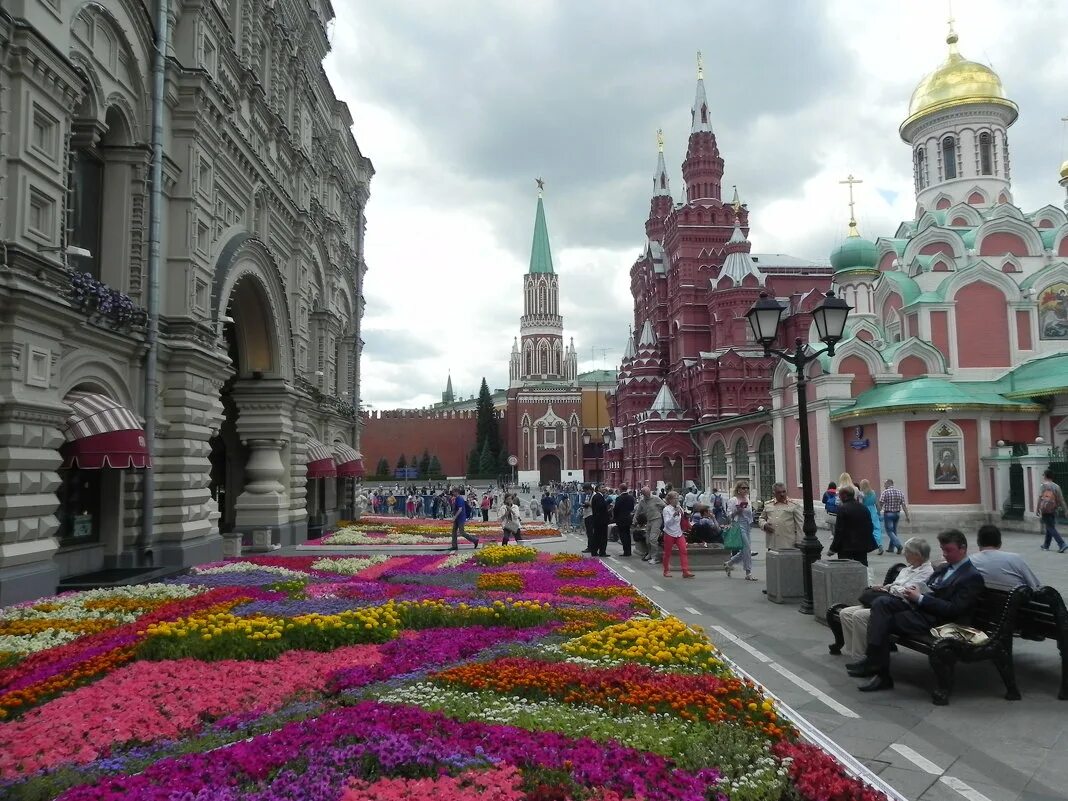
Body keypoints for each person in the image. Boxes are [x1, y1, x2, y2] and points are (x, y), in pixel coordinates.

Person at [848, 529, 984, 692]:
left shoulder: (971, 576)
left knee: (882, 620)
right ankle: (875, 664)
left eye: (948, 550)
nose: (944, 554)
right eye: (942, 549)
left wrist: (920, 598)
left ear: (963, 548)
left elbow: (954, 609)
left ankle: (877, 666)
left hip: (940, 622)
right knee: (881, 604)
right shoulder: (944, 568)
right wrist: (916, 590)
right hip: (922, 610)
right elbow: (932, 587)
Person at [835, 538, 934, 657]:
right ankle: (854, 652)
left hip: (901, 606)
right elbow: (897, 587)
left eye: (907, 552)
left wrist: (890, 588)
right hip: (887, 601)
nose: (904, 554)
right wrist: (885, 587)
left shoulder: (926, 572)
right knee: (845, 613)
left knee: (859, 616)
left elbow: (906, 592)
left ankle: (863, 656)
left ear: (917, 555)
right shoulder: (907, 569)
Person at [970, 524, 1041, 590]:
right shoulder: (1015, 559)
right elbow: (1035, 586)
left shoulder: (969, 561)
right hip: (1012, 602)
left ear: (978, 542)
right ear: (1000, 544)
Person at [828, 486, 875, 566]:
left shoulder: (842, 509)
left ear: (844, 495)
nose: (839, 497)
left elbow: (839, 530)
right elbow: (870, 526)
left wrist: (833, 548)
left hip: (846, 547)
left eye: (840, 495)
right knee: (861, 568)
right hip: (861, 546)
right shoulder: (863, 508)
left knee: (846, 569)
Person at [723, 481, 757, 581]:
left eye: (747, 488)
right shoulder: (733, 500)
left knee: (745, 550)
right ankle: (748, 572)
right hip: (738, 525)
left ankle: (729, 563)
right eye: (743, 488)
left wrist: (753, 513)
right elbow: (729, 516)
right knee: (747, 548)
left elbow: (749, 514)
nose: (745, 490)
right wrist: (738, 511)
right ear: (738, 489)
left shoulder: (748, 499)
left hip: (747, 525)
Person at [758, 482, 803, 551]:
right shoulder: (768, 504)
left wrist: (799, 541)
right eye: (779, 492)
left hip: (788, 543)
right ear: (774, 493)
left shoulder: (794, 505)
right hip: (773, 543)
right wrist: (764, 525)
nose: (782, 494)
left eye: (784, 492)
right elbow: (761, 518)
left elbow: (800, 524)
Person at [660, 492, 695, 578]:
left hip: (679, 533)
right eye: (675, 498)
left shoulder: (680, 508)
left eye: (677, 498)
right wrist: (674, 515)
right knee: (667, 553)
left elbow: (683, 520)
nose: (677, 500)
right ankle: (666, 570)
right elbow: (667, 523)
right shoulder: (666, 509)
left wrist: (687, 516)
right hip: (669, 533)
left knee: (683, 551)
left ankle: (685, 571)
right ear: (670, 500)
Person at [1037, 469, 1068, 552]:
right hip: (1053, 509)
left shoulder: (1043, 486)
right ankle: (1046, 545)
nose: (1043, 476)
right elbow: (1061, 500)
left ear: (1046, 476)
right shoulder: (1056, 486)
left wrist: (1037, 509)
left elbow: (1040, 498)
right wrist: (1066, 510)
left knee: (1050, 527)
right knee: (1050, 526)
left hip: (1045, 509)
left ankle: (1062, 544)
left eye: (1043, 475)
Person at [877, 479, 908, 555]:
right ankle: (891, 548)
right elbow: (903, 505)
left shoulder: (885, 492)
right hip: (897, 514)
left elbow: (881, 503)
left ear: (888, 484)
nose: (884, 485)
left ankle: (898, 545)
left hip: (888, 514)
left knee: (889, 531)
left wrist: (877, 512)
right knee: (894, 530)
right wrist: (907, 515)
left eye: (885, 484)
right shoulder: (899, 492)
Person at [635, 485, 665, 564]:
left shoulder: (656, 498)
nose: (646, 496)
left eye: (647, 494)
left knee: (653, 539)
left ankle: (655, 557)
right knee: (647, 539)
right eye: (644, 494)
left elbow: (664, 506)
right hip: (649, 521)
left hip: (657, 519)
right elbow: (638, 511)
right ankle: (650, 553)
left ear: (649, 492)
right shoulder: (642, 501)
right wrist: (634, 518)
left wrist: (660, 512)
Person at [859, 479, 883, 554]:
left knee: (865, 529)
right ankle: (879, 544)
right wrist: (878, 512)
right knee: (876, 528)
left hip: (865, 511)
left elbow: (860, 504)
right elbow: (877, 504)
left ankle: (865, 546)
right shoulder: (873, 492)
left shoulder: (861, 494)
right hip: (873, 511)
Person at [612, 483, 636, 557]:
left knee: (622, 535)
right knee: (627, 534)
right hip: (628, 518)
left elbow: (616, 509)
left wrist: (615, 518)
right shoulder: (631, 498)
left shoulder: (619, 498)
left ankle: (626, 551)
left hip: (620, 519)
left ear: (620, 489)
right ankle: (629, 551)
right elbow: (632, 508)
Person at [590, 484, 610, 557]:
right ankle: (601, 552)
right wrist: (607, 503)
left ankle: (595, 551)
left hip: (599, 520)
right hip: (600, 520)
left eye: (604, 487)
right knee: (601, 537)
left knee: (598, 536)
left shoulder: (599, 496)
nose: (604, 488)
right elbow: (600, 507)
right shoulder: (598, 497)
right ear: (598, 489)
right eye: (602, 487)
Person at [580, 484, 595, 554]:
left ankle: (591, 547)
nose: (585, 492)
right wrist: (584, 505)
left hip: (591, 515)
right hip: (586, 514)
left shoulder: (594, 495)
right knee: (588, 532)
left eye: (585, 491)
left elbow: (595, 505)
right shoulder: (588, 495)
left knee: (590, 532)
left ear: (589, 489)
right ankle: (590, 546)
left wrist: (588, 504)